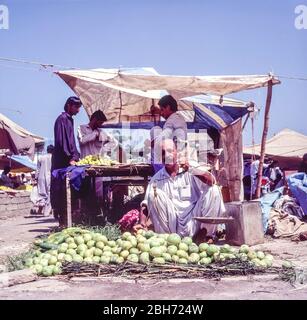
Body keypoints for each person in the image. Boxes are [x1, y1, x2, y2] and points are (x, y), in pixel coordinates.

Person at [140, 139, 225, 242]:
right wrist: (142, 224)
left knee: (214, 190)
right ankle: (166, 240)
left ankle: (206, 234)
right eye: (163, 153)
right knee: (153, 194)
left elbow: (211, 181)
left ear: (177, 152)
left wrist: (192, 170)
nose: (167, 155)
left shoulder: (191, 167)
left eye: (170, 151)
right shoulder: (157, 179)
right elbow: (145, 204)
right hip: (171, 228)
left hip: (194, 223)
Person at [51, 96, 82, 226]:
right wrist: (70, 158)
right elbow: (62, 142)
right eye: (76, 107)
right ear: (69, 105)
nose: (78, 110)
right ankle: (63, 222)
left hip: (69, 160)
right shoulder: (62, 119)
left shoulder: (69, 120)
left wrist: (75, 156)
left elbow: (71, 142)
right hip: (62, 162)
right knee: (62, 192)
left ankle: (70, 218)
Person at [153, 95, 188, 166]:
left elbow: (161, 140)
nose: (161, 113)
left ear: (168, 107)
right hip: (180, 155)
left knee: (155, 129)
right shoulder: (179, 118)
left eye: (162, 110)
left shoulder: (171, 121)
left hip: (174, 158)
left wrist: (153, 143)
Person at [35, 145, 54, 216]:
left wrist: (36, 178)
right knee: (49, 193)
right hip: (50, 177)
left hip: (41, 177)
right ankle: (47, 211)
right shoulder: (54, 158)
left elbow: (37, 169)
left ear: (47, 150)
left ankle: (40, 210)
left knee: (41, 193)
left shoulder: (40, 158)